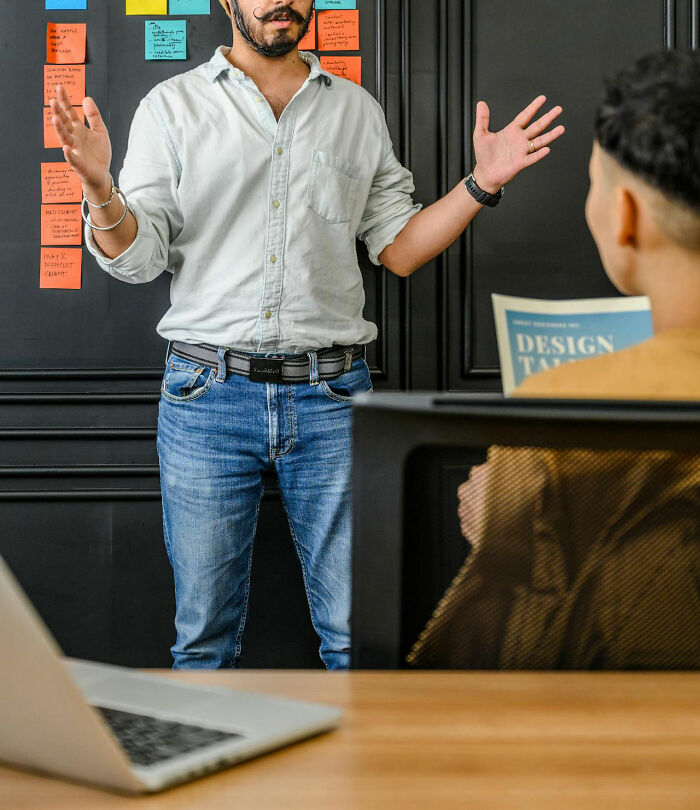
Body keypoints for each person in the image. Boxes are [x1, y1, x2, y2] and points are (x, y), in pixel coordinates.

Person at [49, 0, 564, 670]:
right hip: (206, 397)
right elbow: (138, 257)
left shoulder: (355, 110)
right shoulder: (170, 107)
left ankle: (360, 778)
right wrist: (98, 188)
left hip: (334, 398)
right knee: (203, 639)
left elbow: (399, 248)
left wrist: (480, 184)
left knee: (356, 638)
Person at [408, 50, 700, 671]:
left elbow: (500, 652)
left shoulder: (563, 402)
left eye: (595, 182)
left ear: (624, 217)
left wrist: (508, 523)